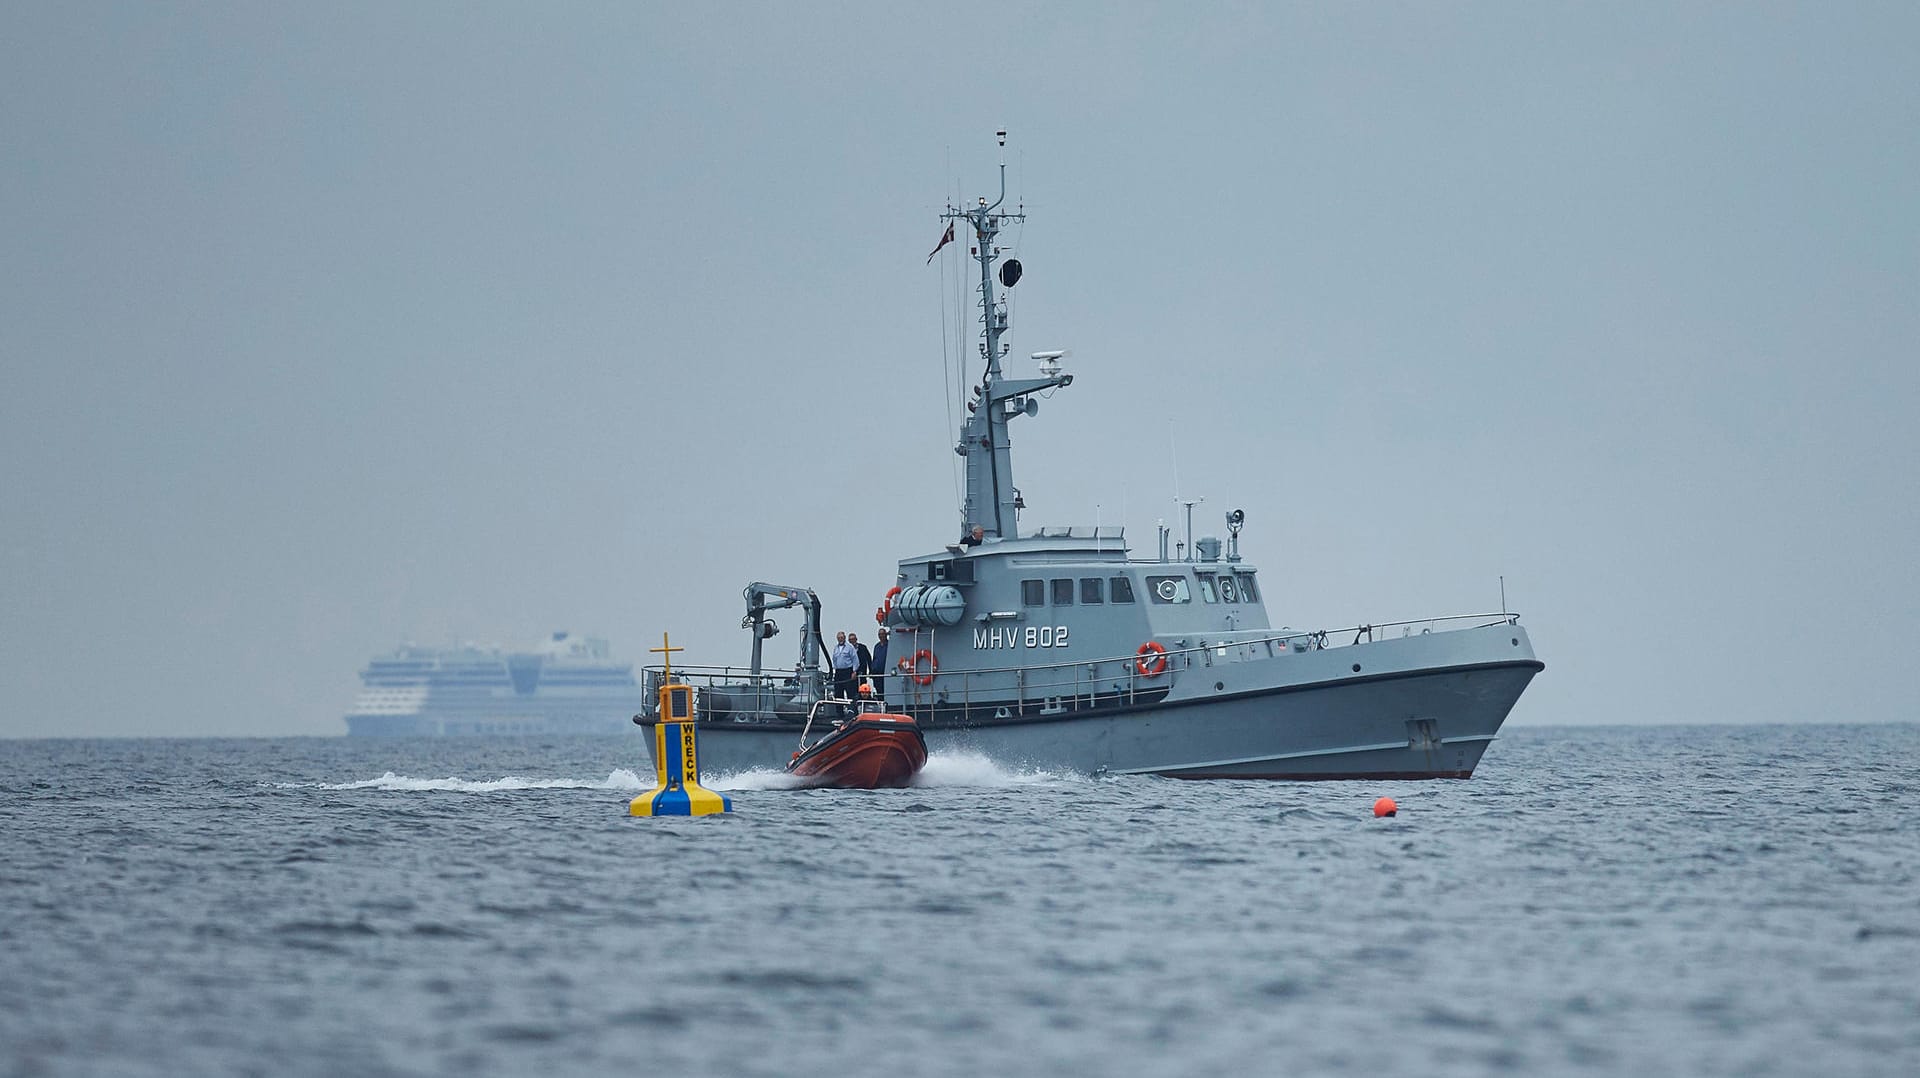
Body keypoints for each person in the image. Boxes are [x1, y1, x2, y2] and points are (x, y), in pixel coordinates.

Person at [829, 631, 858, 714]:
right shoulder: (836, 648)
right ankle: (839, 713)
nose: (840, 639)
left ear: (844, 638)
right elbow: (834, 659)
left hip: (847, 671)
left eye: (842, 637)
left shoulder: (850, 648)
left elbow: (855, 659)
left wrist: (854, 671)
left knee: (850, 693)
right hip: (838, 672)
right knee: (838, 693)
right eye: (839, 638)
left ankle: (852, 712)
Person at [869, 628, 889, 703]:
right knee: (879, 691)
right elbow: (874, 658)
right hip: (877, 673)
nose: (881, 636)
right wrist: (872, 670)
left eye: (882, 634)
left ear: (886, 634)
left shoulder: (889, 645)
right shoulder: (876, 646)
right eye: (879, 634)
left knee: (885, 691)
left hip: (885, 672)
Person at [850, 631, 872, 702]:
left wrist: (871, 670)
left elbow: (868, 659)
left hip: (862, 673)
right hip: (852, 674)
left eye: (853, 639)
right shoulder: (848, 650)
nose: (852, 641)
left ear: (856, 639)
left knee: (864, 689)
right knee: (852, 690)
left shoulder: (863, 648)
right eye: (850, 640)